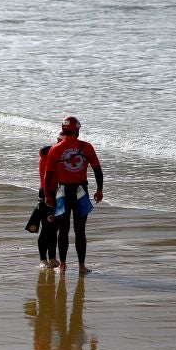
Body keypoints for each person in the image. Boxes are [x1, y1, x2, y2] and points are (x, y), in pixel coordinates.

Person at [44, 116, 103, 274]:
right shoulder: (87, 147)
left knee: (63, 230)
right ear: (77, 129)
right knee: (80, 230)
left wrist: (48, 195)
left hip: (62, 192)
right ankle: (82, 266)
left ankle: (62, 265)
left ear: (63, 129)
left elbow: (48, 175)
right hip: (81, 191)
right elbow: (97, 170)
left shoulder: (55, 150)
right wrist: (99, 189)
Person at [37, 137, 61, 269]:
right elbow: (42, 150)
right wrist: (58, 146)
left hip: (57, 195)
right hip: (46, 194)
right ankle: (42, 259)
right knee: (46, 228)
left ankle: (52, 258)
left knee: (54, 228)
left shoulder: (58, 157)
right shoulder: (46, 154)